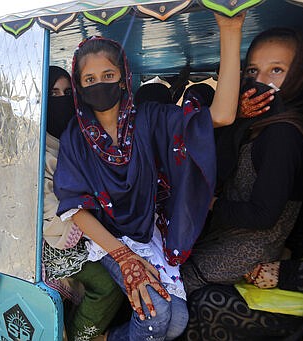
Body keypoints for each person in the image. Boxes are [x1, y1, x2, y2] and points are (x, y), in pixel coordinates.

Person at [53, 13, 245, 340]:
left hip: (147, 235)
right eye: (90, 79)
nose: (100, 84)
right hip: (106, 240)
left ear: (123, 77)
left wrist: (230, 31)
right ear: (80, 87)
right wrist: (123, 256)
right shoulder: (76, 137)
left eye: (108, 74)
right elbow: (75, 207)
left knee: (178, 320)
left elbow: (223, 115)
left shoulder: (150, 119)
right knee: (155, 316)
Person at [181, 27, 303, 340]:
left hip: (246, 249)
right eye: (254, 71)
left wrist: (209, 203)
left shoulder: (283, 134)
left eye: (277, 70)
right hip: (228, 239)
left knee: (171, 290)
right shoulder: (261, 124)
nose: (262, 82)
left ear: (299, 75)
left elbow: (262, 215)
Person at [42, 66, 124, 341]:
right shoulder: (38, 146)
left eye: (67, 93)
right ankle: (78, 337)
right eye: (53, 93)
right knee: (107, 284)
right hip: (52, 235)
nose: (61, 99)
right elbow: (46, 207)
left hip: (86, 225)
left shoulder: (80, 136)